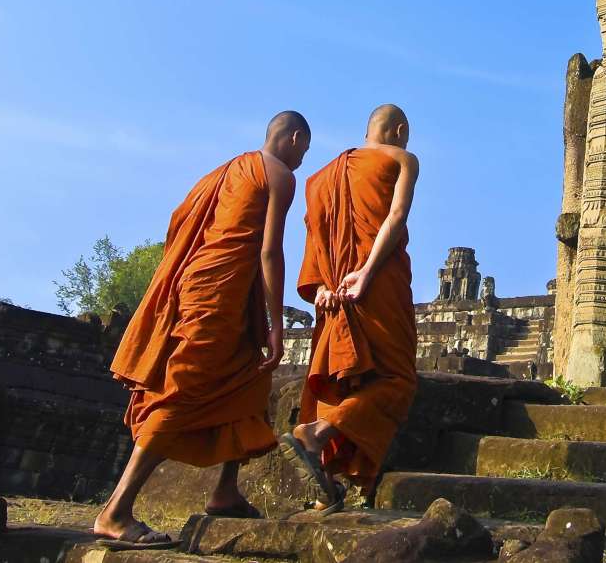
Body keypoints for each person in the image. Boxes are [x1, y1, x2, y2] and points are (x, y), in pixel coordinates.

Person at [94, 111, 311, 547]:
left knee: (248, 383)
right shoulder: (280, 176)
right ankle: (115, 511)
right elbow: (270, 252)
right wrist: (274, 324)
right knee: (181, 391)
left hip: (208, 286)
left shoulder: (227, 170)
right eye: (304, 148)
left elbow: (180, 222)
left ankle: (225, 491)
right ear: (293, 137)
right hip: (216, 295)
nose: (303, 157)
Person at [284, 103, 420, 510]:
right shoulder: (403, 159)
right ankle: (318, 434)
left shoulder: (321, 177)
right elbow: (394, 219)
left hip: (333, 295)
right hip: (373, 285)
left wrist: (321, 286)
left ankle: (325, 484)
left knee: (344, 377)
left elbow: (314, 235)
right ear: (398, 131)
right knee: (397, 379)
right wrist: (365, 272)